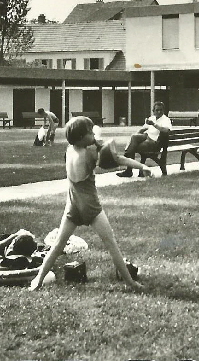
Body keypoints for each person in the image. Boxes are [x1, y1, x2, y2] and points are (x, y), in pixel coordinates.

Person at [30, 116, 146, 292]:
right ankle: (131, 283)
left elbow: (91, 141)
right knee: (111, 243)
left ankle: (37, 281)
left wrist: (95, 139)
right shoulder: (90, 153)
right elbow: (119, 159)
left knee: (58, 245)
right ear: (82, 137)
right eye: (90, 132)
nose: (93, 134)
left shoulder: (69, 150)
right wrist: (142, 167)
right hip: (90, 206)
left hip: (72, 205)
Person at [118, 101, 172, 177]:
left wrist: (154, 124)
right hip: (147, 137)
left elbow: (166, 130)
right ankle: (128, 153)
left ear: (163, 110)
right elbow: (142, 129)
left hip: (155, 143)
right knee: (134, 137)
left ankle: (128, 169)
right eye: (157, 110)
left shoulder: (166, 120)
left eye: (161, 110)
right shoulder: (151, 118)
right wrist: (132, 139)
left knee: (134, 147)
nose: (159, 112)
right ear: (153, 111)